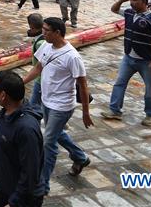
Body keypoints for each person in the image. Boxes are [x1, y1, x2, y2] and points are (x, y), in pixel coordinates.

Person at [22, 17, 94, 195]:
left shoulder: (72, 57)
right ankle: (80, 157)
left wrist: (86, 112)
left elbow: (83, 85)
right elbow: (38, 68)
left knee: (48, 142)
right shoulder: (46, 46)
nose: (43, 32)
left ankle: (42, 185)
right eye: (43, 29)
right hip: (46, 100)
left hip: (62, 106)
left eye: (47, 30)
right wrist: (21, 82)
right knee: (56, 133)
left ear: (57, 33)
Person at [99, 0, 151, 126]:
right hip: (129, 57)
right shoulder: (129, 13)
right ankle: (115, 110)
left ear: (144, 2)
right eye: (131, 0)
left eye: (135, 0)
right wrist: (121, 0)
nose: (132, 3)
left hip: (147, 60)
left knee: (150, 88)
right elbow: (114, 9)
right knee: (119, 83)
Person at [0, 71, 45, 207]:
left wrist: (14, 202)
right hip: (4, 187)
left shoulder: (26, 129)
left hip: (23, 196)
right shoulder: (7, 113)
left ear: (3, 95)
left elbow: (30, 172)